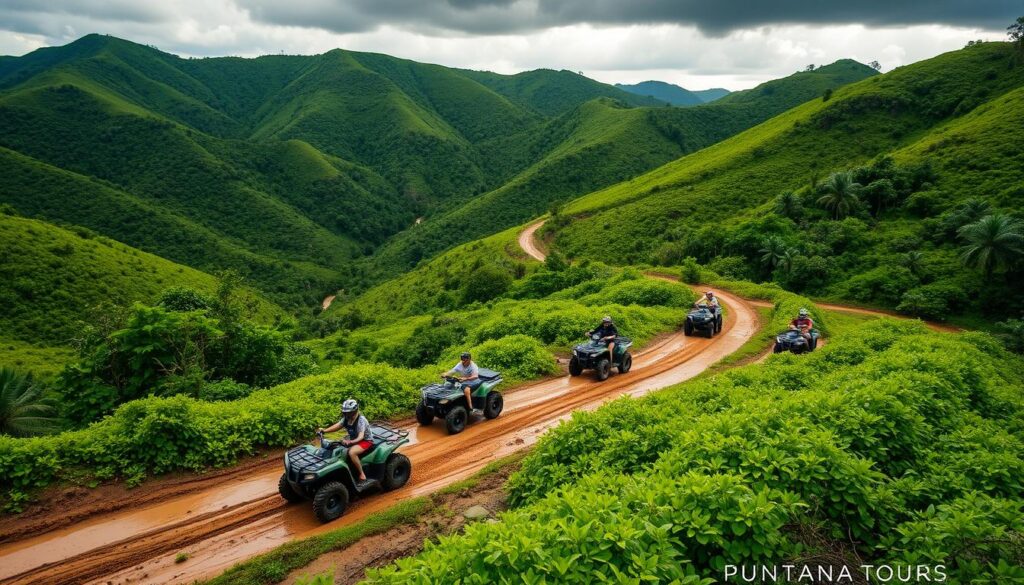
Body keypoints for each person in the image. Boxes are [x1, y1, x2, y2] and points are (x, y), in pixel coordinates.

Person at [318, 399, 374, 483]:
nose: (347, 414)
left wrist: (350, 442)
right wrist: (325, 431)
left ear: (355, 411)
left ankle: (362, 474)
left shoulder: (361, 420)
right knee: (335, 447)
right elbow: (337, 426)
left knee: (352, 452)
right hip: (353, 439)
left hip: (365, 441)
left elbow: (361, 436)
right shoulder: (346, 419)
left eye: (349, 412)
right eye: (345, 412)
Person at [444, 352, 482, 416]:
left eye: (465, 359)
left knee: (466, 390)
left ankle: (471, 409)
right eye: (462, 359)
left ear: (469, 359)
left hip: (474, 381)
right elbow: (452, 371)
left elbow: (475, 376)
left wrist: (465, 379)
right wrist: (445, 374)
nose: (463, 361)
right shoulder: (460, 364)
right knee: (448, 384)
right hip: (464, 380)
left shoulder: (473, 366)